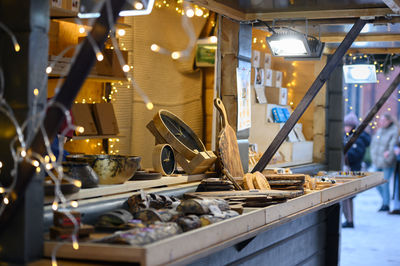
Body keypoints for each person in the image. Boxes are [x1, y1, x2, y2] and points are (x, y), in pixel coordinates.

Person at [342, 113, 370, 228]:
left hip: (353, 170)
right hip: (350, 170)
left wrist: (345, 154)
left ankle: (349, 220)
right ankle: (349, 220)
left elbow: (356, 154)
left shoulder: (357, 138)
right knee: (347, 197)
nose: (345, 127)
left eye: (348, 125)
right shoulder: (349, 135)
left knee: (347, 196)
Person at [370, 113, 398, 212]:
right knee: (375, 183)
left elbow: (392, 146)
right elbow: (373, 145)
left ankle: (386, 204)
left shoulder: (394, 131)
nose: (381, 122)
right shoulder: (380, 130)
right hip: (377, 162)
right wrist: (373, 157)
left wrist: (388, 159)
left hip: (387, 162)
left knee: (384, 183)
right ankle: (385, 201)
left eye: (384, 120)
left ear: (389, 120)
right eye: (381, 120)